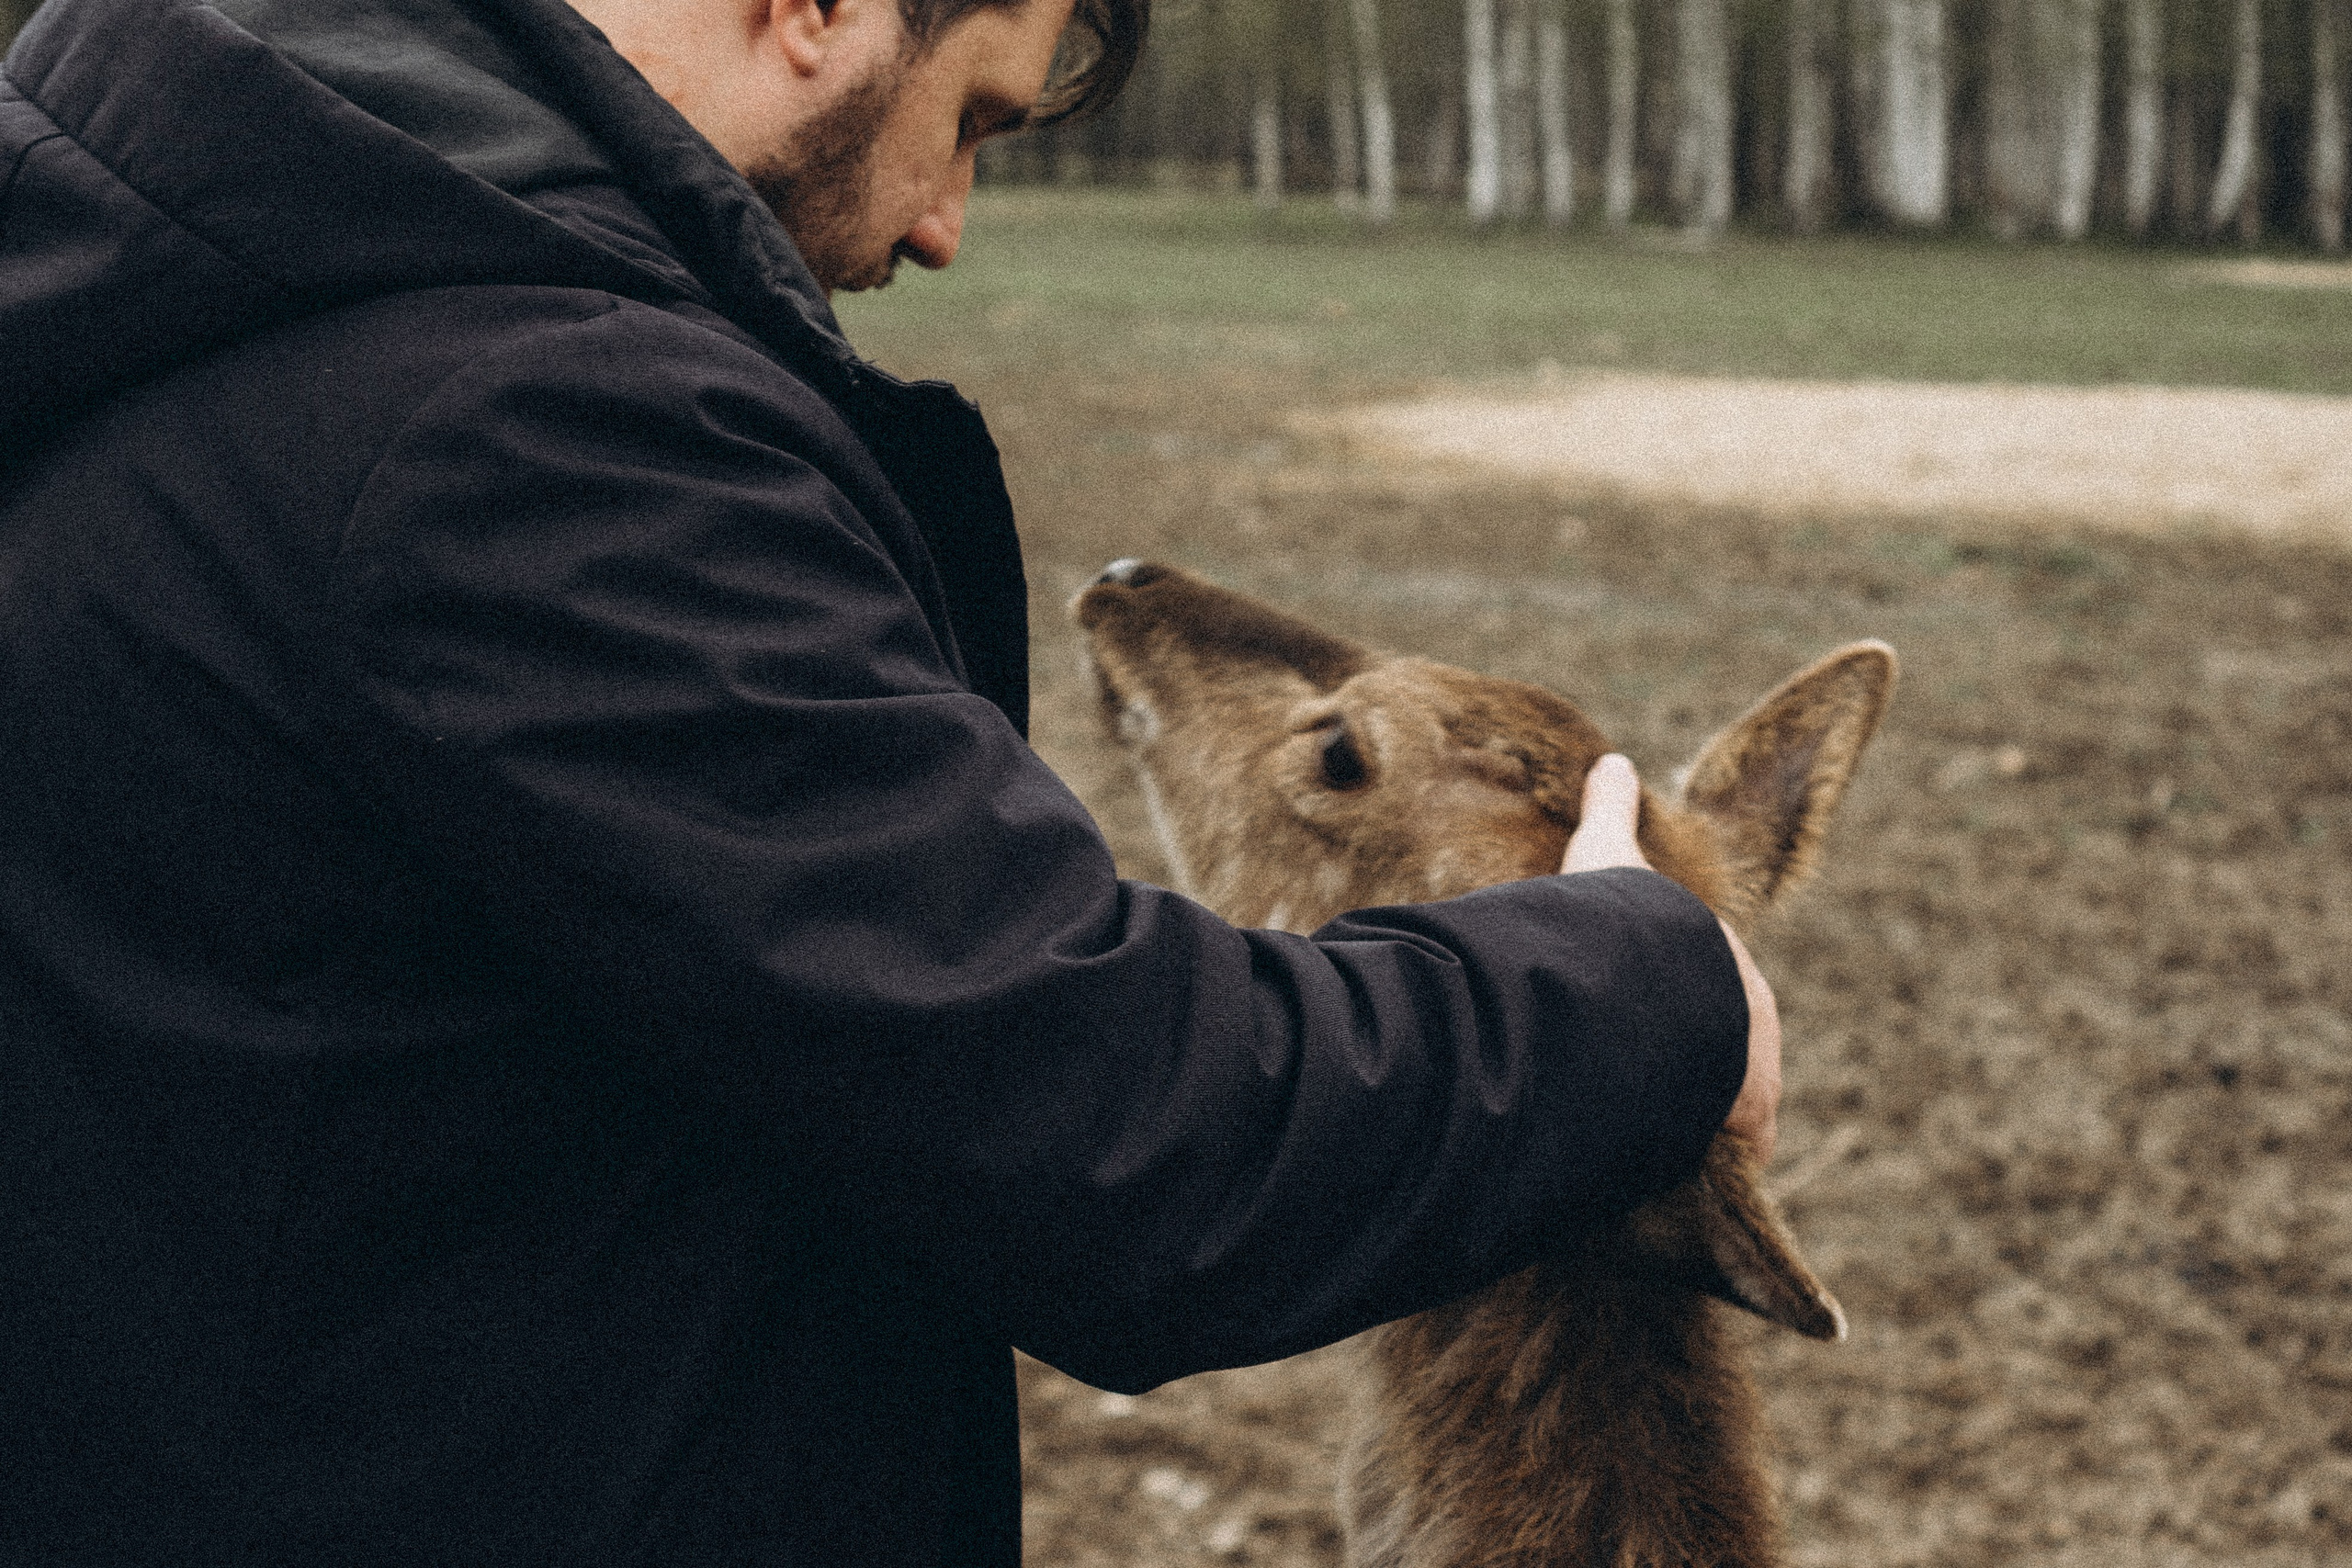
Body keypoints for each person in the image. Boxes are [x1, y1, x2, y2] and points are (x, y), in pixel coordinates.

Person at [0, 0, 1778, 1562]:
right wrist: (1651, 988)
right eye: (973, 118)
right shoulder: (513, 427)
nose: (942, 223)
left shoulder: (236, 303)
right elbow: (1098, 1115)